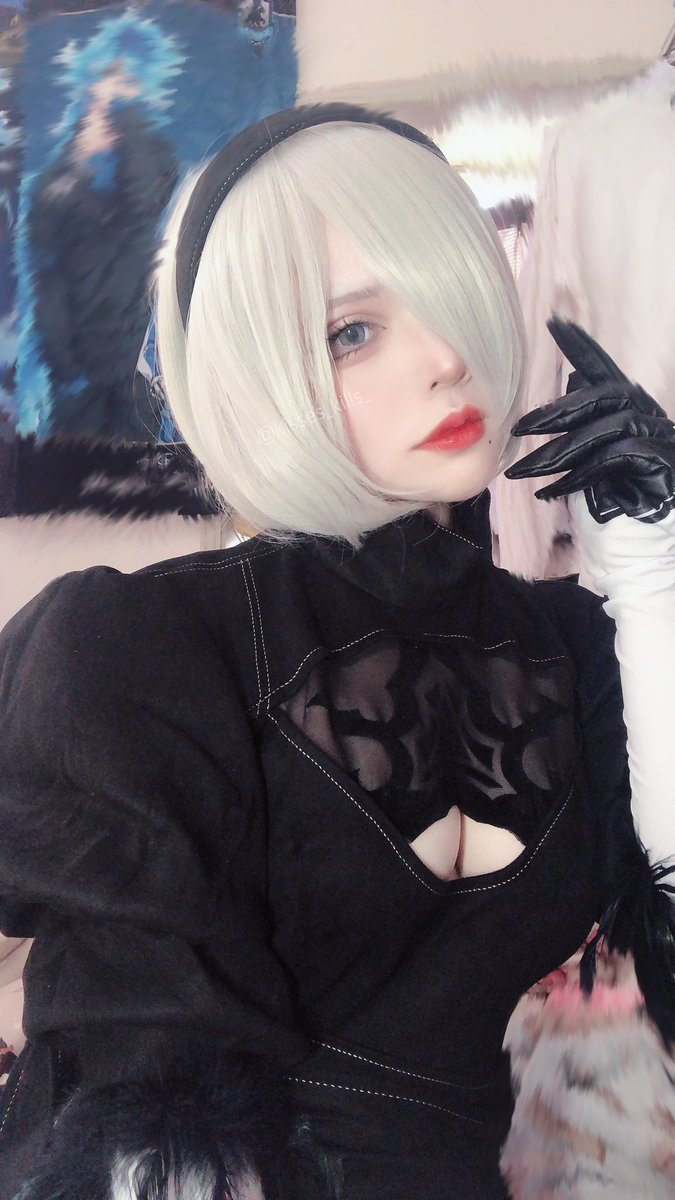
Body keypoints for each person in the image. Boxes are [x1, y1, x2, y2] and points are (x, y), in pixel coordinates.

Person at [0, 102, 673, 1200]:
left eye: (450, 294)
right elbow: (147, 1123)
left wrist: (651, 577)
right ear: (254, 370)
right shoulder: (140, 647)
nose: (447, 358)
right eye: (351, 332)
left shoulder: (566, 646)